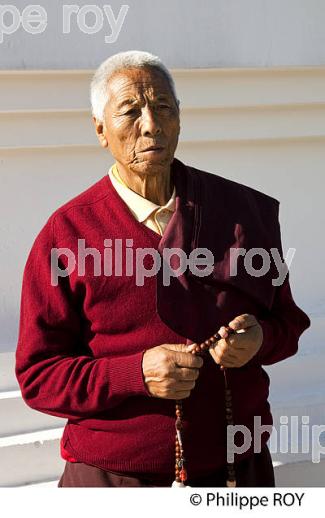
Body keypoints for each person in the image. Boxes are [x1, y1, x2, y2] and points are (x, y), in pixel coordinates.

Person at [15, 50, 310, 488]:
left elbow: (288, 322)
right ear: (100, 130)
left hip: (236, 472)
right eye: (130, 111)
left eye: (163, 107)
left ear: (179, 120)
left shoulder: (243, 214)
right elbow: (39, 376)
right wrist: (135, 373)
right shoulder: (69, 234)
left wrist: (259, 339)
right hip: (114, 480)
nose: (150, 124)